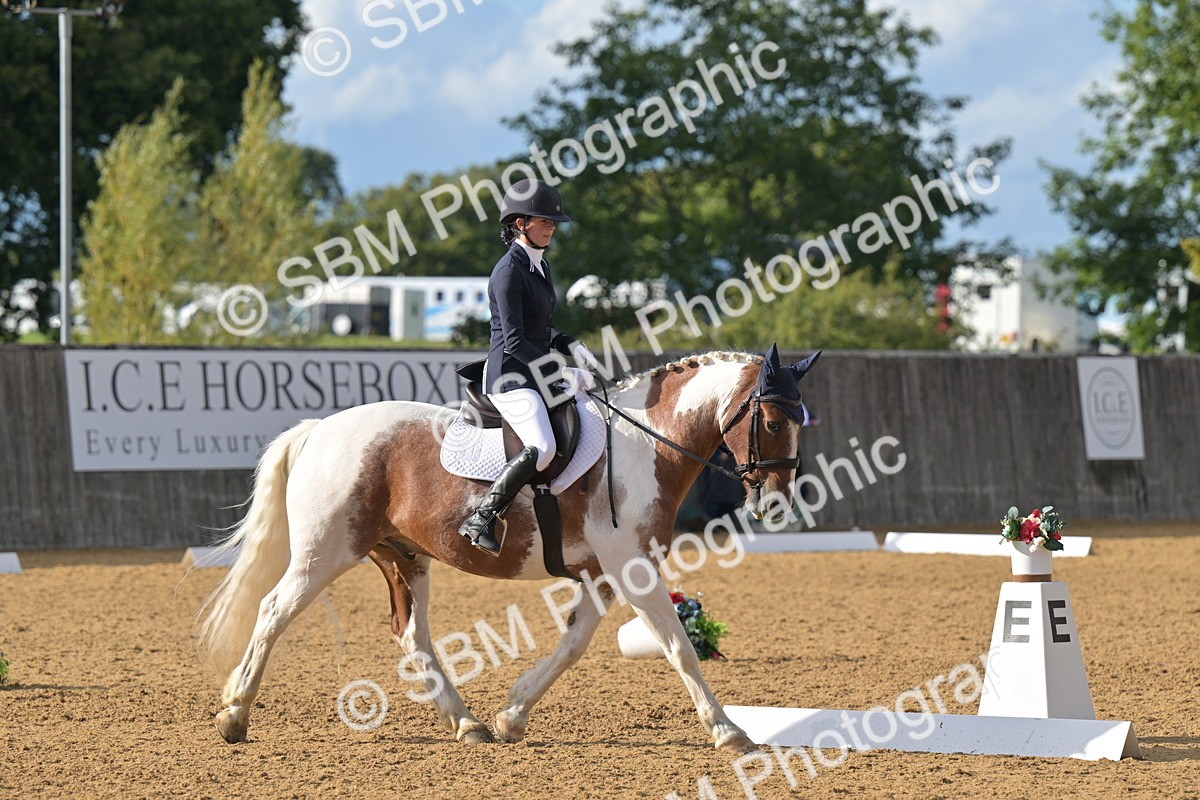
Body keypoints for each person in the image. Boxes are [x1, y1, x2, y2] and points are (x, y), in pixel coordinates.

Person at [457, 179, 602, 556]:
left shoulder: (539, 265)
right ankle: (482, 517)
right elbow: (515, 339)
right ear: (520, 223)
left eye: (553, 222)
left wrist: (568, 343)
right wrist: (560, 372)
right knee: (543, 447)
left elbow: (539, 327)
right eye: (545, 221)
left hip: (533, 373)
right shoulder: (508, 271)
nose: (552, 227)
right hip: (510, 377)